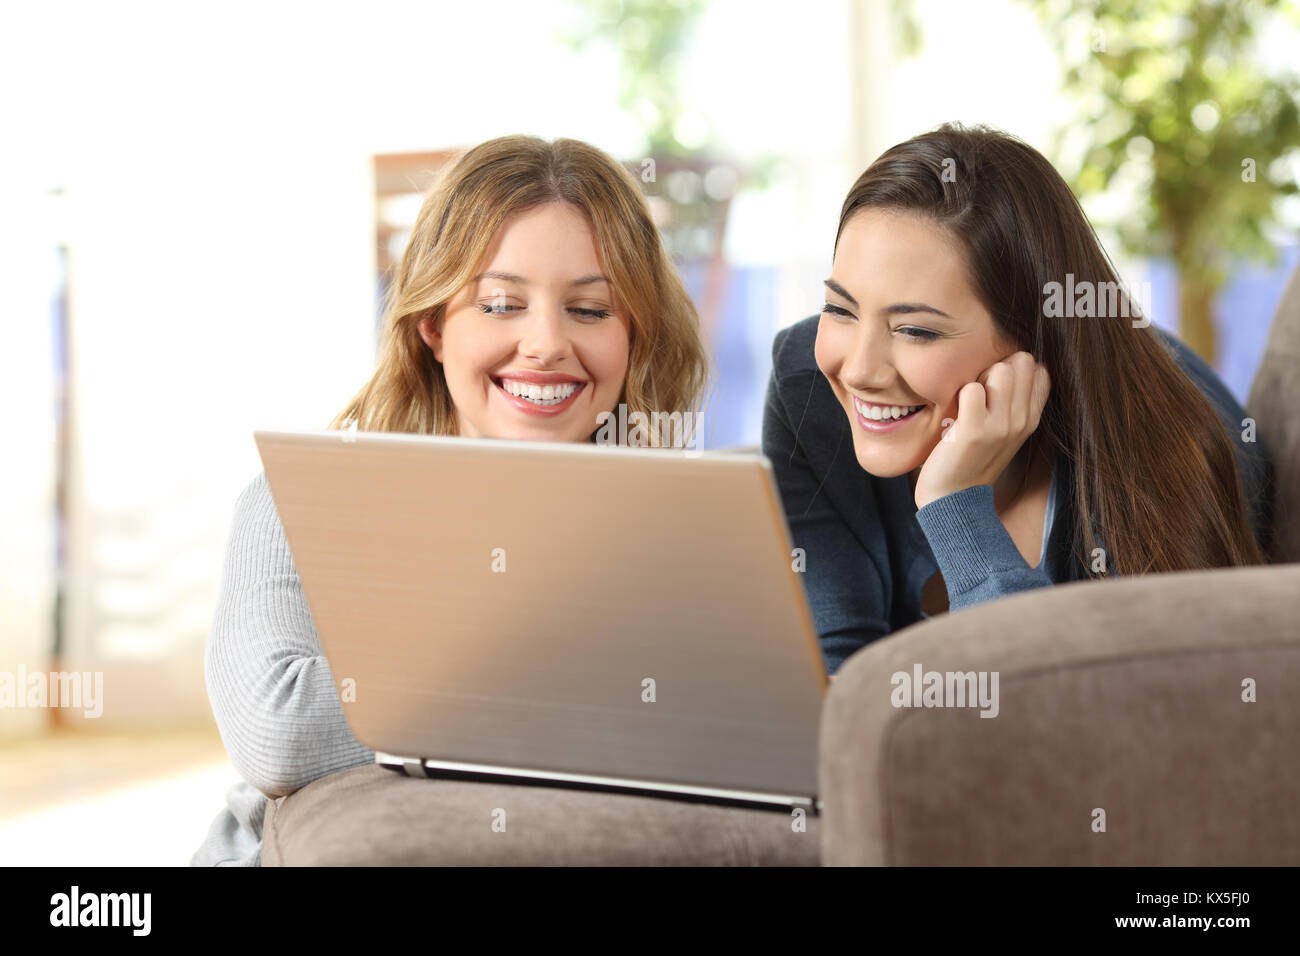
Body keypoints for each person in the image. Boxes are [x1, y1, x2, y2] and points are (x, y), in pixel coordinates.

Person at [191, 135, 710, 865]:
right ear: (433, 324)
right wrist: (583, 685)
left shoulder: (679, 527)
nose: (546, 343)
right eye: (501, 303)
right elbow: (280, 729)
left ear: (635, 340)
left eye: (591, 311)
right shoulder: (296, 500)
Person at [762, 123, 1272, 676]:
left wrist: (956, 505)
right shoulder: (807, 387)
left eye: (916, 330)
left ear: (1031, 341)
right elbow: (832, 689)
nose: (858, 369)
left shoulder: (1165, 452)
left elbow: (1067, 731)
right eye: (840, 309)